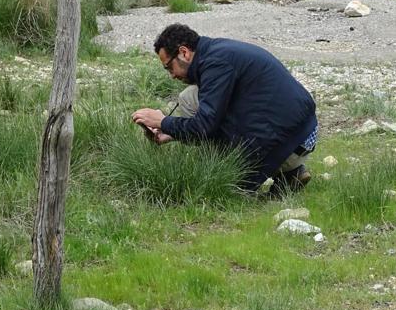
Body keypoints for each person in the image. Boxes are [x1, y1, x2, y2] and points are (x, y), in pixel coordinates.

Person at [132, 23, 318, 193]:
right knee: (189, 97)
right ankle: (289, 174)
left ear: (184, 52)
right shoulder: (216, 52)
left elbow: (204, 127)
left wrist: (163, 121)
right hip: (302, 134)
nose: (171, 75)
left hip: (294, 143)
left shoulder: (216, 65)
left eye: (169, 68)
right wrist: (172, 133)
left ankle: (277, 171)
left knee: (223, 188)